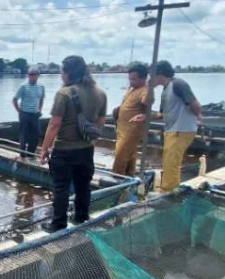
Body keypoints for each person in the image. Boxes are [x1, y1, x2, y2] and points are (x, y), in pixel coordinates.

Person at [38, 56, 107, 231]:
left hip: (64, 150)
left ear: (68, 73)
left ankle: (58, 223)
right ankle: (81, 217)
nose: (61, 75)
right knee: (83, 186)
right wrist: (89, 139)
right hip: (86, 149)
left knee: (61, 187)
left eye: (62, 72)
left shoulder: (64, 93)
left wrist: (44, 148)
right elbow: (100, 123)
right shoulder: (100, 93)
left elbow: (54, 124)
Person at [131, 60, 202, 191]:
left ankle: (169, 191)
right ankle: (169, 188)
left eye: (152, 75)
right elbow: (161, 114)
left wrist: (198, 116)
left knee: (171, 163)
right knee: (167, 160)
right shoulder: (165, 90)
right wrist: (146, 116)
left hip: (181, 129)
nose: (150, 79)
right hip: (171, 129)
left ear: (161, 74)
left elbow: (195, 104)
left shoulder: (178, 84)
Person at [111, 63, 149, 176]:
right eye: (130, 79)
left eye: (134, 79)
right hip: (121, 128)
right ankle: (130, 174)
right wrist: (119, 108)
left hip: (131, 131)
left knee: (120, 156)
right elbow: (130, 103)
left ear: (143, 78)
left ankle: (117, 177)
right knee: (130, 155)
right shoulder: (132, 89)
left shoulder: (144, 91)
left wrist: (149, 88)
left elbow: (146, 102)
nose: (131, 82)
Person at [12, 67, 45, 157]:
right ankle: (22, 155)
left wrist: (40, 110)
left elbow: (42, 99)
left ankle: (31, 154)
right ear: (28, 76)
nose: (32, 77)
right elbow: (14, 100)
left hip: (35, 114)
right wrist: (19, 111)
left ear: (38, 76)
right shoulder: (23, 86)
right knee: (24, 135)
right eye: (30, 75)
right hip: (25, 114)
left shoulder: (41, 86)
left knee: (36, 135)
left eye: (34, 75)